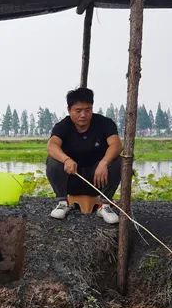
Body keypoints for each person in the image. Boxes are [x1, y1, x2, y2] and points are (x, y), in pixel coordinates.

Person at [46, 87, 121, 224]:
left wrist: (104, 162)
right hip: (72, 177)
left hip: (98, 179)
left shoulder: (105, 123)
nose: (83, 115)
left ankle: (105, 205)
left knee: (118, 160)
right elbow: (52, 145)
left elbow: (116, 145)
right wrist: (66, 159)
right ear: (69, 110)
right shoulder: (63, 126)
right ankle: (62, 202)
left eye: (88, 110)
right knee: (52, 160)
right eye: (78, 110)